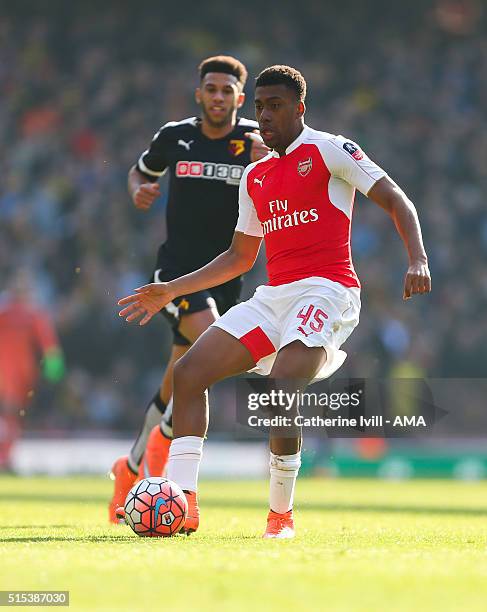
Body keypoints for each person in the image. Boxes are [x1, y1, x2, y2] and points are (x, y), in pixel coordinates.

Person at [117, 65, 431, 538]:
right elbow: (240, 256)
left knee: (282, 387)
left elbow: (395, 198)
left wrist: (418, 259)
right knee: (188, 373)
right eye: (260, 106)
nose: (264, 115)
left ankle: (280, 516)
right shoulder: (256, 176)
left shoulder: (330, 149)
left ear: (300, 108)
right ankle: (184, 503)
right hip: (275, 296)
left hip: (329, 289)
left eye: (275, 106)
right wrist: (173, 288)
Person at [109, 55, 269, 522]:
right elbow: (141, 171)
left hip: (226, 278)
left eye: (227, 91)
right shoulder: (173, 136)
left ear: (240, 99)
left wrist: (270, 168)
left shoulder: (253, 144)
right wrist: (137, 188)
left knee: (180, 376)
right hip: (174, 276)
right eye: (211, 89)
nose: (218, 97)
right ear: (199, 94)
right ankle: (166, 471)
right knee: (208, 344)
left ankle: (132, 467)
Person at [0, 272, 64, 470]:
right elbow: (49, 346)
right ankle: (4, 456)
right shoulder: (33, 313)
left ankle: (5, 456)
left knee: (10, 416)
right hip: (20, 374)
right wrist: (55, 371)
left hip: (12, 372)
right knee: (13, 416)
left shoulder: (6, 311)